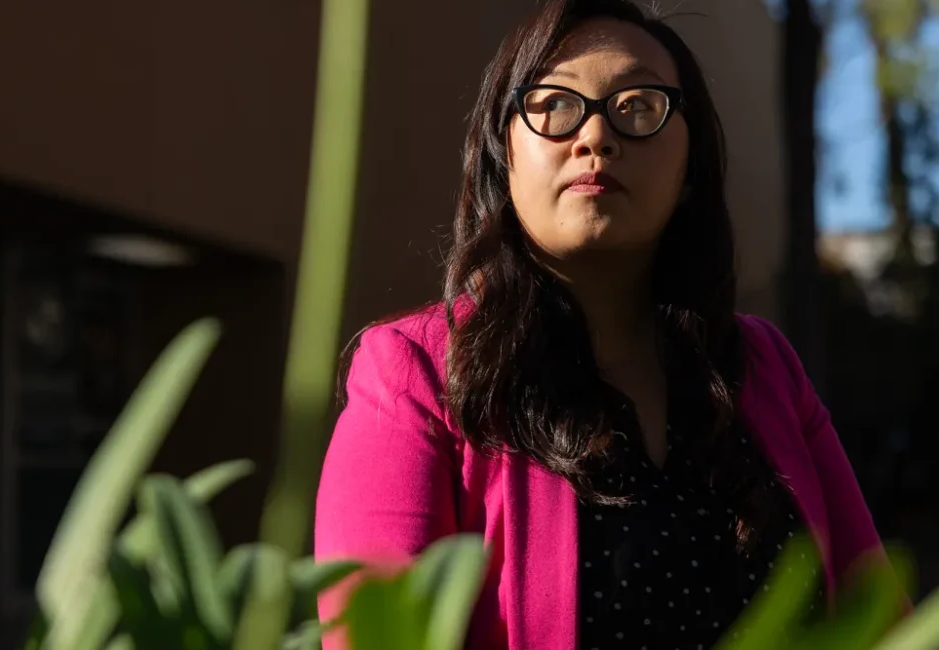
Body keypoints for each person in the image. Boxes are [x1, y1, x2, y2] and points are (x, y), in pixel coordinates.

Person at [314, 0, 895, 648]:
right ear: (504, 153)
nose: (595, 136)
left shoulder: (766, 366)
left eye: (640, 108)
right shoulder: (414, 374)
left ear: (688, 169)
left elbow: (880, 618)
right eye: (555, 106)